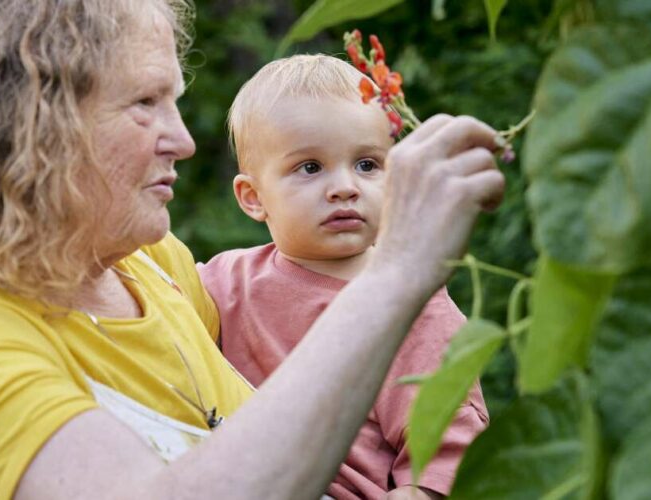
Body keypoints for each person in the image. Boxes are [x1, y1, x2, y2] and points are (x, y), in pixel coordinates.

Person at [0, 0, 505, 498]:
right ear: (34, 120)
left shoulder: (149, 269)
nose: (183, 141)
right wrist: (397, 272)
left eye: (175, 103)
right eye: (144, 104)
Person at [197, 55, 488, 500]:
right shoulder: (224, 281)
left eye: (368, 165)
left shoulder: (413, 308)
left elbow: (444, 461)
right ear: (253, 198)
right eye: (310, 167)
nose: (345, 187)